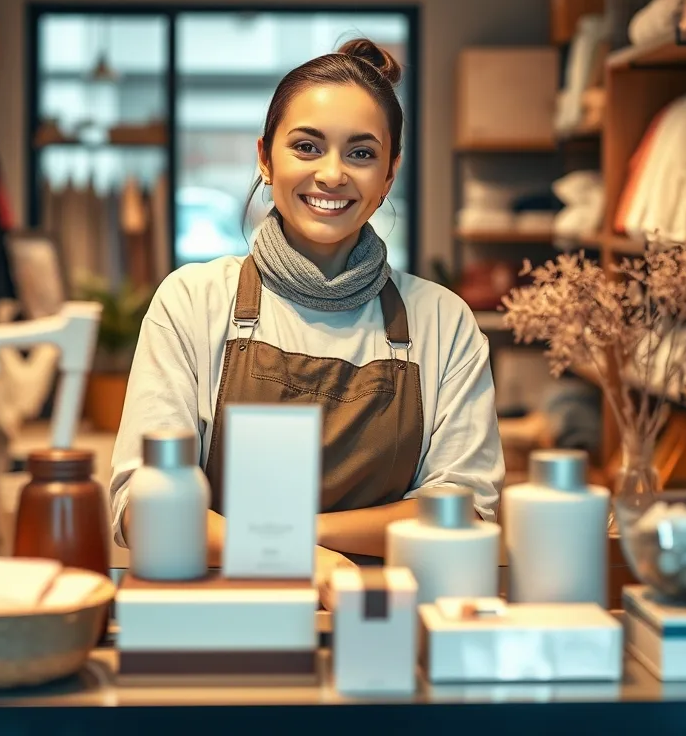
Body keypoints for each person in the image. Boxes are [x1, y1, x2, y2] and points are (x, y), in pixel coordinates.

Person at [110, 38, 504, 577]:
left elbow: (466, 512)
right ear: (265, 159)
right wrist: (313, 560)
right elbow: (144, 510)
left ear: (390, 174)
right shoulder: (193, 302)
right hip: (218, 610)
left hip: (380, 609)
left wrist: (299, 539)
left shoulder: (442, 320)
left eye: (362, 153)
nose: (332, 174)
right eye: (307, 147)